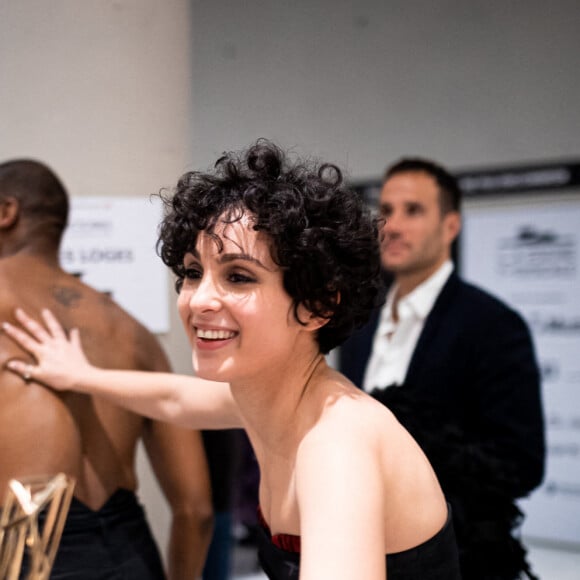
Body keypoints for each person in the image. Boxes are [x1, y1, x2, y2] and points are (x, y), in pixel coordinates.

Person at [4, 141, 461, 580]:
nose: (199, 299)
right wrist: (80, 375)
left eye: (238, 277)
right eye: (192, 272)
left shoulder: (334, 446)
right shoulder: (267, 402)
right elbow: (174, 398)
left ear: (318, 305)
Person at [0, 159, 213, 579]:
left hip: (26, 543)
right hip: (129, 552)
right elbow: (197, 510)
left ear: (6, 211)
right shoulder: (133, 332)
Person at [340, 157, 545, 579]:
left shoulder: (492, 325)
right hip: (363, 549)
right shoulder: (360, 323)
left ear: (451, 226)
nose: (392, 225)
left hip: (459, 558)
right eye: (386, 211)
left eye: (413, 211)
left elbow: (522, 463)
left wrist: (413, 443)